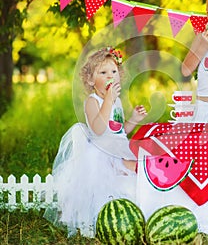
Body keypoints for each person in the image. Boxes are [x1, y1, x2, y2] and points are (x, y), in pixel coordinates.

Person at [44, 47, 147, 238]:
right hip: (102, 153)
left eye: (114, 72)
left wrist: (133, 119)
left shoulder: (116, 101)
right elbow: (99, 130)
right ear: (91, 80)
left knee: (136, 171)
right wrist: (108, 101)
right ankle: (103, 217)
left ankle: (135, 211)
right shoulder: (92, 101)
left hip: (118, 148)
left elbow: (119, 131)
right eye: (103, 72)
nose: (110, 76)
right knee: (115, 180)